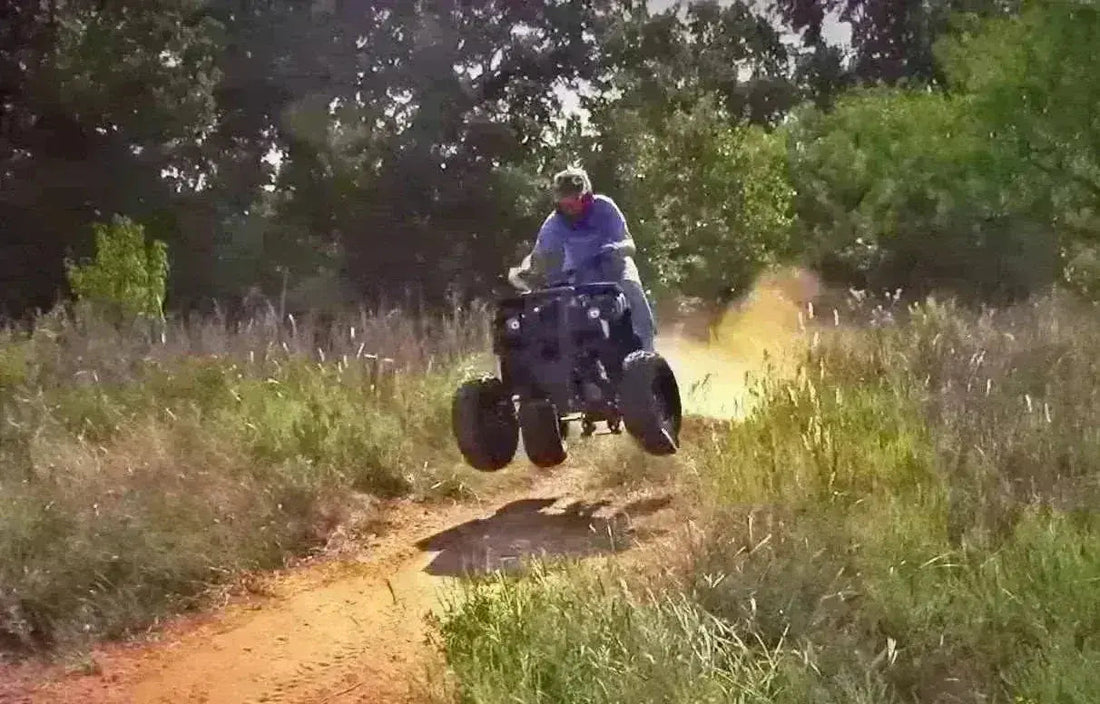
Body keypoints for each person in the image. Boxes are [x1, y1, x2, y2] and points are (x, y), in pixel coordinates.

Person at [508, 167, 657, 351]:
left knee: (630, 288)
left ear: (586, 196)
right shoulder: (553, 225)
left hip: (615, 267)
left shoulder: (605, 208)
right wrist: (524, 274)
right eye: (564, 202)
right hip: (582, 276)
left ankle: (647, 352)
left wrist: (615, 249)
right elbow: (539, 259)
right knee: (561, 306)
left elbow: (629, 245)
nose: (569, 207)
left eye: (574, 200)